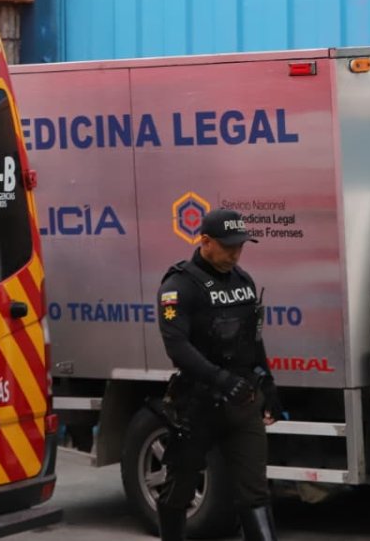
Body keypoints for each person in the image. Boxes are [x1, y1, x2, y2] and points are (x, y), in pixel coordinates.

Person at [155, 208, 283, 541]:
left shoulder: (243, 282)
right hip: (196, 405)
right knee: (180, 490)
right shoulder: (179, 285)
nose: (235, 253)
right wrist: (220, 380)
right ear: (206, 242)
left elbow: (253, 341)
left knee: (255, 492)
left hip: (241, 403)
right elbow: (177, 347)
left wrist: (268, 383)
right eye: (228, 247)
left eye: (240, 246)